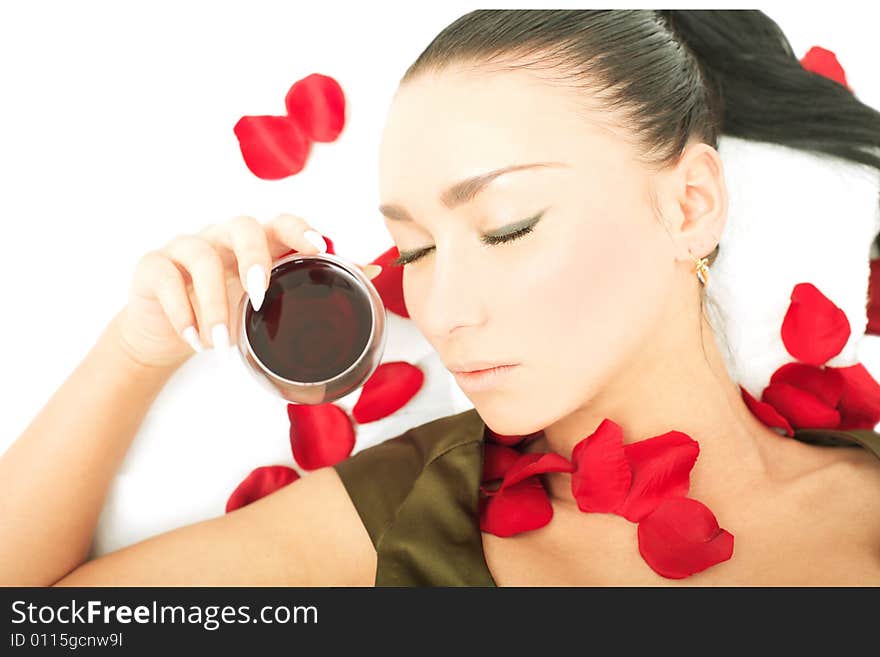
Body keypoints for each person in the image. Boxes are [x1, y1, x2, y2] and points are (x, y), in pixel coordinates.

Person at [2, 9, 880, 587]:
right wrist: (136, 349)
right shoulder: (403, 512)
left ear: (690, 204)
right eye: (415, 249)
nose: (443, 307)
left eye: (506, 226)